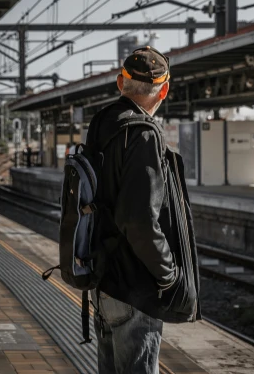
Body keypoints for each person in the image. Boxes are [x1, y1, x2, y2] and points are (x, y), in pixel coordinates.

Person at [85, 46, 199, 374]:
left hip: (103, 281)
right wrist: (167, 275)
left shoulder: (102, 123)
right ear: (163, 90)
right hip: (135, 290)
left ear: (121, 82)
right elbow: (138, 219)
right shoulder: (143, 134)